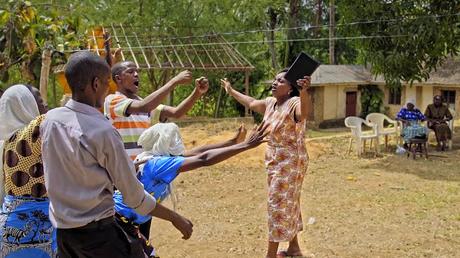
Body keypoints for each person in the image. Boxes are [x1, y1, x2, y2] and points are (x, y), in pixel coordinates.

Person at [40, 51, 193, 258]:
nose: (107, 89)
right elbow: (134, 197)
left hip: (65, 236)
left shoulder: (50, 120)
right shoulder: (102, 131)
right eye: (106, 83)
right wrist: (175, 217)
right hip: (99, 236)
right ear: (95, 84)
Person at [114, 122, 267, 257]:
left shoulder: (152, 158)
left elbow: (198, 152)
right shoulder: (158, 164)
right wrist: (245, 146)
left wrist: (232, 142)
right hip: (122, 222)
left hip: (130, 221)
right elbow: (204, 159)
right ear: (166, 143)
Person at [104, 61, 207, 241]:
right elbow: (144, 105)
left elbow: (176, 112)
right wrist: (173, 82)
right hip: (122, 178)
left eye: (137, 71)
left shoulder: (144, 104)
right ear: (118, 79)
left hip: (143, 177)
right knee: (123, 231)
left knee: (142, 229)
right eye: (131, 71)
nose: (137, 74)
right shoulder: (113, 101)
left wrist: (196, 93)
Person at [220, 69, 311, 258]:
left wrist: (303, 92)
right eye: (275, 79)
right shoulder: (271, 104)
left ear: (290, 88)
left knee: (277, 205)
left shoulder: (293, 103)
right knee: (289, 201)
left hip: (290, 162)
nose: (275, 83)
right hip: (275, 161)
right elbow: (251, 102)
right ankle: (294, 248)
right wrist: (231, 90)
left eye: (281, 81)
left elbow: (303, 114)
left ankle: (270, 255)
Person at [0, 84, 52, 257]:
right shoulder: (30, 133)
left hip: (11, 221)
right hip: (35, 226)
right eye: (41, 102)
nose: (45, 107)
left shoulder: (7, 141)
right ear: (25, 105)